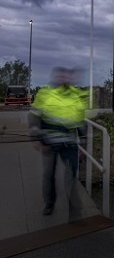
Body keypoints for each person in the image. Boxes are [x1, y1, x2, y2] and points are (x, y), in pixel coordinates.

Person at [29, 67, 87, 221]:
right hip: (48, 144)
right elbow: (34, 115)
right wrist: (35, 137)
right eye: (60, 76)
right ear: (55, 77)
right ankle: (49, 203)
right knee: (48, 175)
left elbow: (80, 123)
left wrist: (83, 145)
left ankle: (76, 212)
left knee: (71, 177)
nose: (64, 79)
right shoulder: (45, 93)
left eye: (66, 76)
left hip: (70, 144)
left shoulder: (76, 95)